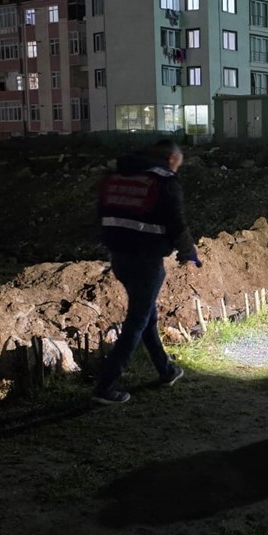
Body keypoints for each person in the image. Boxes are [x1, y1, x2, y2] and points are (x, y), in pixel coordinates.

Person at [94, 141, 200, 404]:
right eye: (178, 163)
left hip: (119, 257)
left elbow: (102, 215)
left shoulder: (120, 176)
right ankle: (105, 385)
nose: (178, 168)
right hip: (148, 261)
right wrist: (189, 252)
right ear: (170, 159)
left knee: (146, 315)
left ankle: (166, 370)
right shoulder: (164, 181)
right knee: (137, 321)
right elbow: (177, 223)